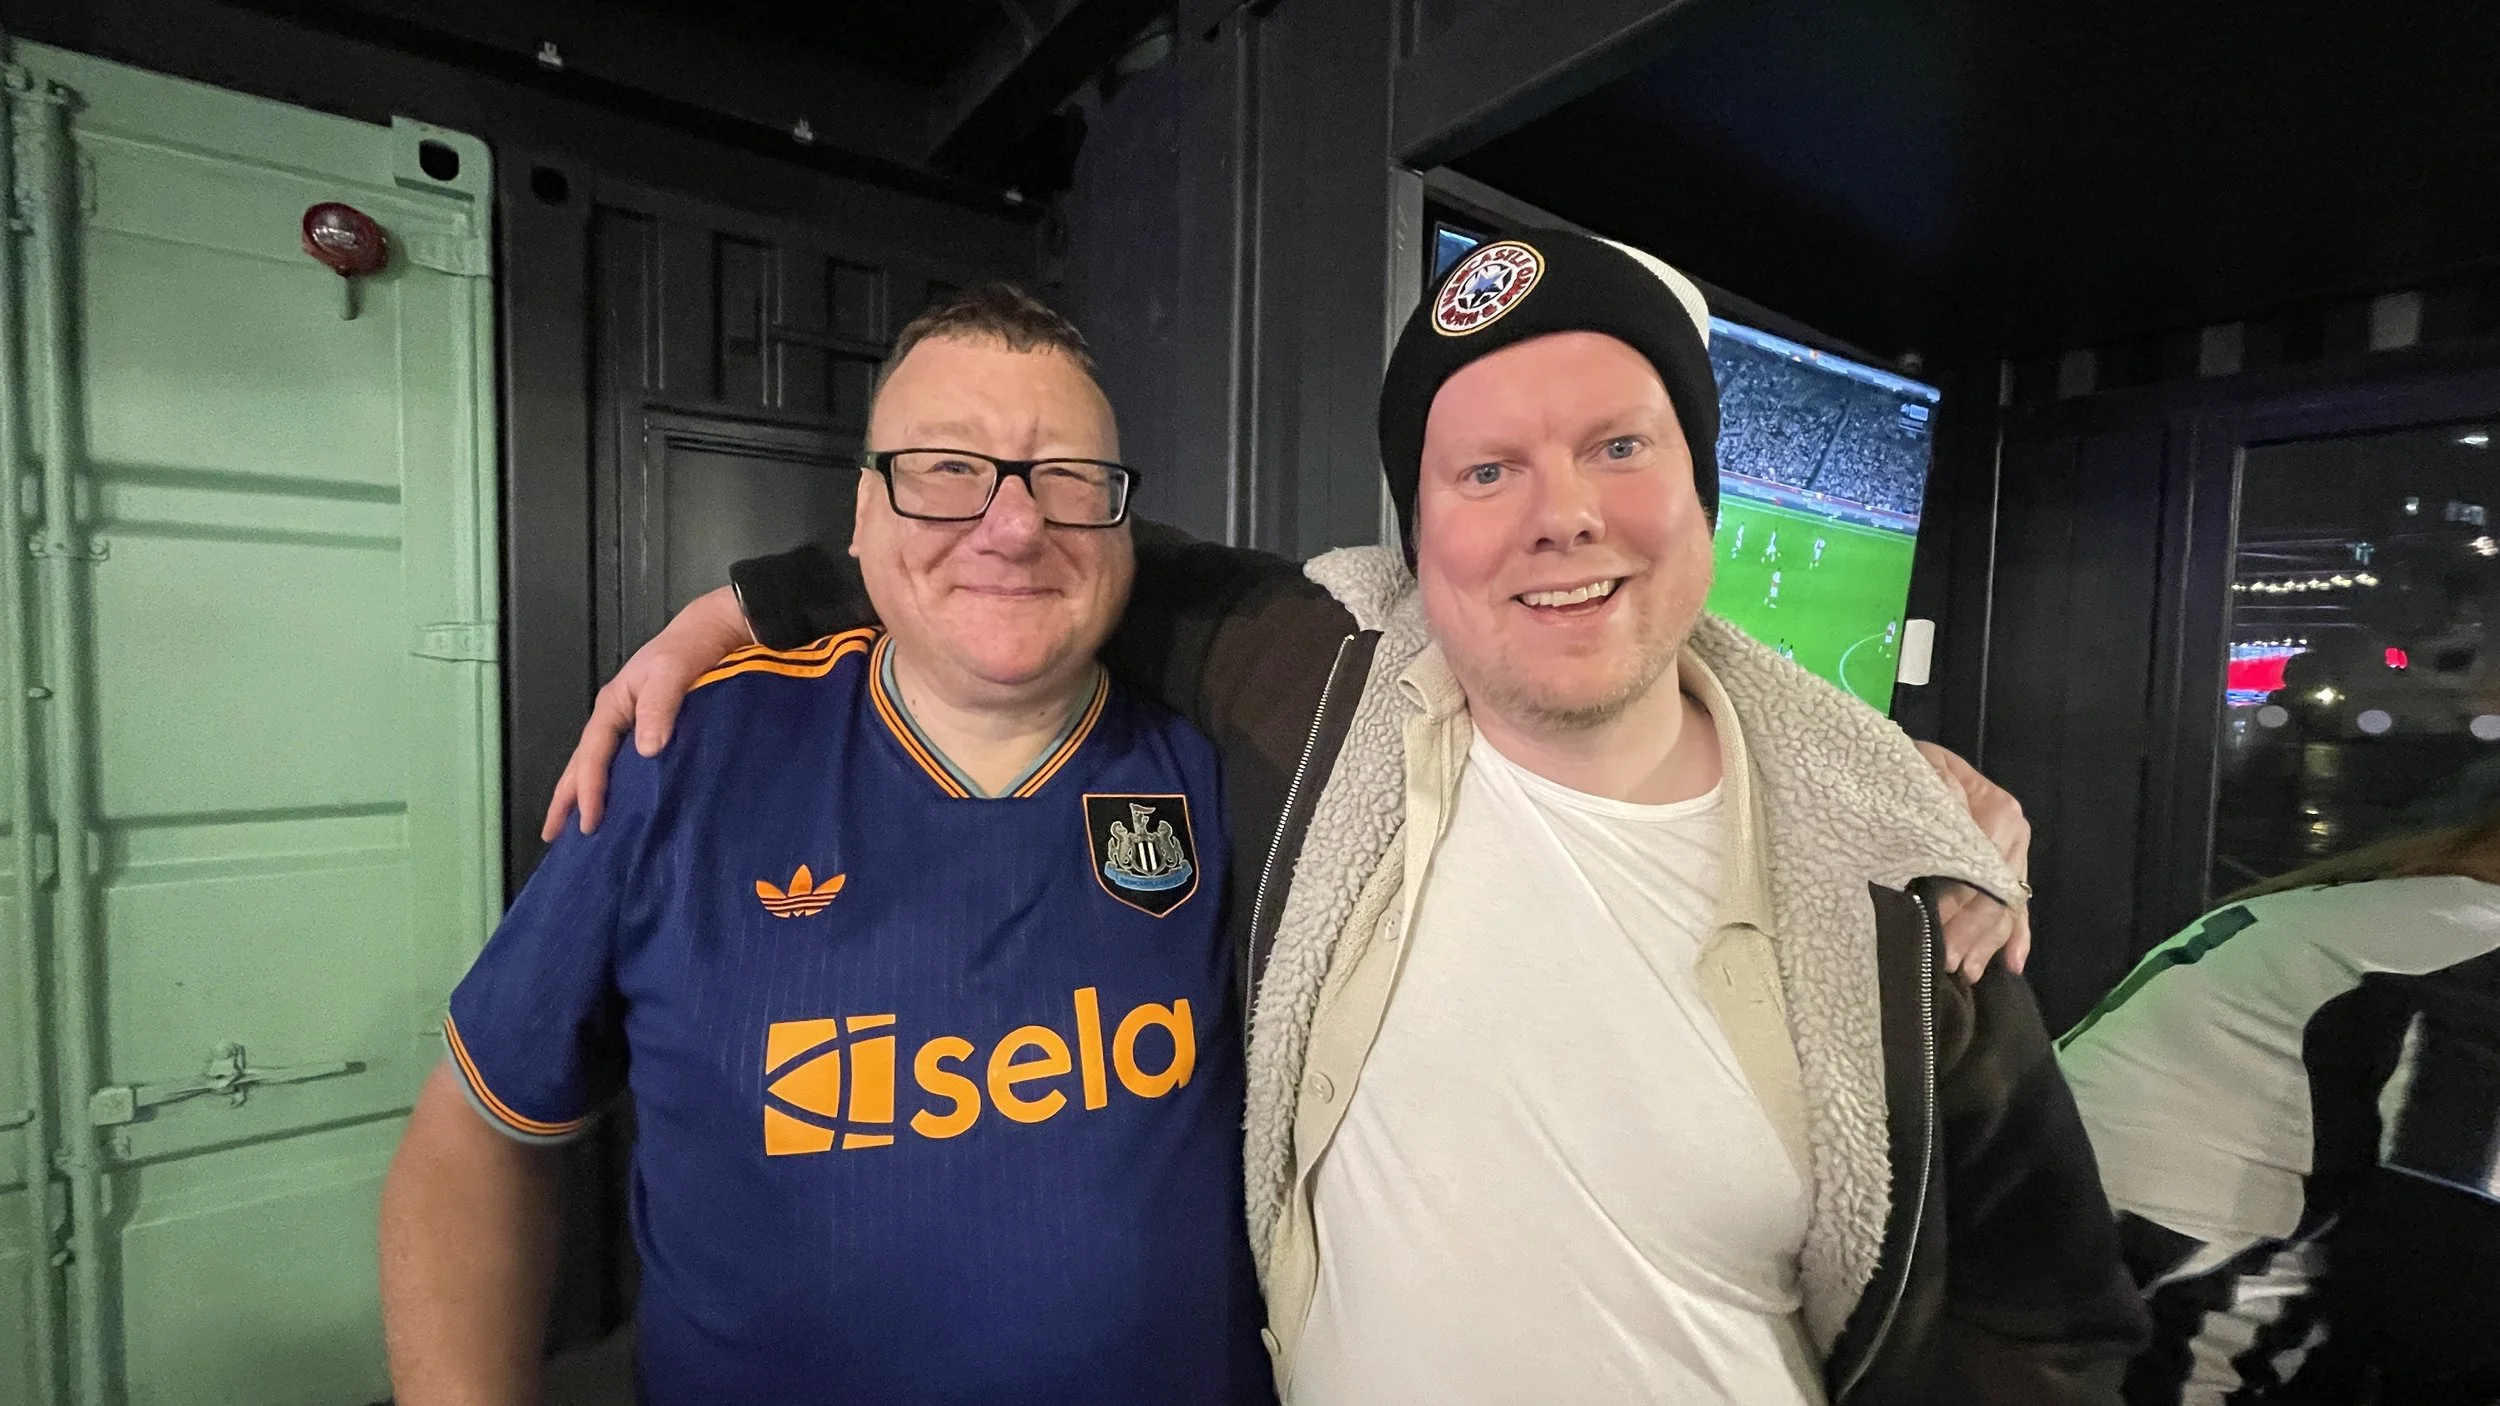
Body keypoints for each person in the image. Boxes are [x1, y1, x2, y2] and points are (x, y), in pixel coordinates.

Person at [554, 234, 2123, 1404]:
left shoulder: (1898, 894)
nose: (1562, 513)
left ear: (1703, 489)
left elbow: (2052, 1326)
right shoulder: (1312, 688)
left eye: (1620, 445)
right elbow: (1024, 550)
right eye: (1485, 468)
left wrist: (1900, 785)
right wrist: (742, 606)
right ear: (1417, 529)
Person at [378, 287, 1270, 1405]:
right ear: (861, 514)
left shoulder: (1224, 766)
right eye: (947, 469)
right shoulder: (687, 753)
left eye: (1069, 479)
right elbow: (477, 1132)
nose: (1015, 525)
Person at [2059, 805, 2500, 1404]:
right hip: (2153, 1355)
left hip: (2036, 1303)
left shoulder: (2391, 903)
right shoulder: (2471, 972)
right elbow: (2443, 1302)